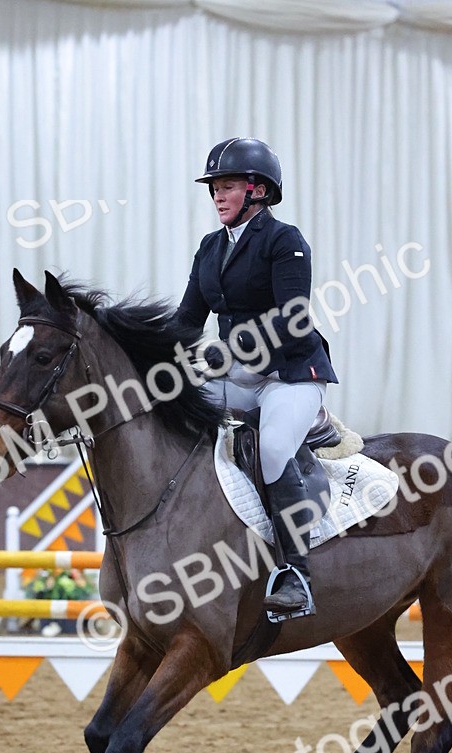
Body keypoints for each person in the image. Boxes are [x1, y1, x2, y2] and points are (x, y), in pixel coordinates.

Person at [177, 137, 338, 617]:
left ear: (258, 191)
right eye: (214, 189)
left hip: (290, 372)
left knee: (271, 449)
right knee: (175, 415)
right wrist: (148, 354)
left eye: (227, 186)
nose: (217, 196)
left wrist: (224, 353)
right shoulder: (210, 248)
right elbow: (187, 319)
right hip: (235, 372)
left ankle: (295, 575)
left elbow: (292, 321)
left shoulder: (284, 241)